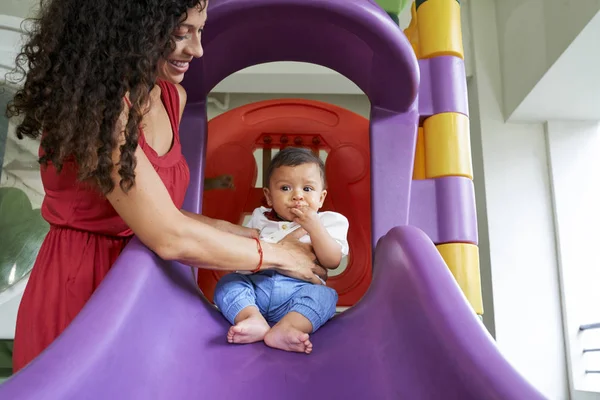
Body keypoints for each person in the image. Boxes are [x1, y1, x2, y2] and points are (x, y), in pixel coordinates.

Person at [5, 0, 326, 373]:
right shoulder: (96, 111)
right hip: (84, 290)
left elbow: (164, 213)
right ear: (129, 32)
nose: (197, 49)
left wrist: (270, 241)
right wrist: (279, 255)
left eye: (200, 30)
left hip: (148, 286)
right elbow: (168, 235)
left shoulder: (171, 97)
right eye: (179, 34)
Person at [213, 147, 349, 354]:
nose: (297, 196)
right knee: (228, 283)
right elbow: (249, 249)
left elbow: (332, 261)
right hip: (256, 287)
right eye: (285, 188)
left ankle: (289, 327)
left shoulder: (329, 221)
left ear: (321, 198)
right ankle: (251, 318)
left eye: (307, 189)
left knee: (325, 296)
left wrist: (315, 228)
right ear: (268, 196)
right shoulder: (260, 217)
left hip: (298, 293)